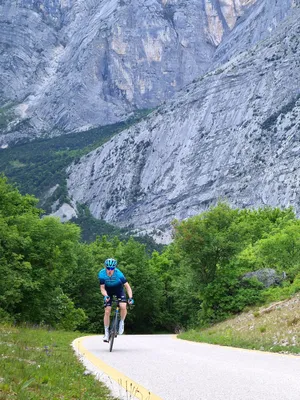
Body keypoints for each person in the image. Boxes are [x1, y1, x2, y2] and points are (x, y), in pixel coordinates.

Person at [98, 258, 134, 342]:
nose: (110, 270)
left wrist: (130, 297)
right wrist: (105, 295)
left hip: (118, 290)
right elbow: (102, 288)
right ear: (105, 267)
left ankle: (121, 321)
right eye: (108, 268)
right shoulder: (101, 274)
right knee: (107, 311)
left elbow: (128, 287)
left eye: (112, 269)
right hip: (108, 291)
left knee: (123, 305)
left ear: (115, 268)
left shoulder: (119, 274)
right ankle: (106, 333)